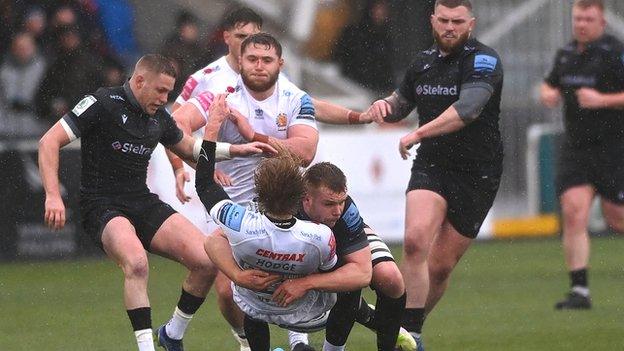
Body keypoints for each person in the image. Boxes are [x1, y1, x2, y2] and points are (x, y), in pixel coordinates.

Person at [37, 54, 271, 351]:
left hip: (141, 201)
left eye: (169, 92)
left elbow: (189, 148)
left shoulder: (158, 117)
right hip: (102, 205)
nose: (165, 98)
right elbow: (49, 141)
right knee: (136, 262)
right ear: (139, 81)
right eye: (160, 90)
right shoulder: (102, 103)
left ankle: (172, 334)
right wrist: (53, 194)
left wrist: (237, 151)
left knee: (208, 259)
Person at [364, 0, 504, 348]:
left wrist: (418, 133)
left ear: (470, 23)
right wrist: (386, 106)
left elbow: (468, 109)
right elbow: (400, 103)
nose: (450, 27)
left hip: (477, 173)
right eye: (443, 20)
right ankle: (407, 334)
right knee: (414, 241)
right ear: (432, 21)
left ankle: (410, 326)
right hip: (432, 165)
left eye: (457, 21)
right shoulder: (422, 63)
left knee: (440, 267)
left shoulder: (483, 60)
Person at [196, 94, 338, 351]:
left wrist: (212, 128)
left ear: (259, 193)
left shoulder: (239, 224)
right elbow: (332, 275)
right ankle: (312, 343)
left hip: (255, 306)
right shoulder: (321, 237)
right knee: (347, 280)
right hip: (306, 315)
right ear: (301, 197)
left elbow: (204, 184)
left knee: (225, 252)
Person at [540, 0, 624, 310]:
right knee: (574, 213)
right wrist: (547, 92)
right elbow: (549, 85)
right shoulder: (566, 55)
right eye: (577, 18)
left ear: (602, 22)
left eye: (588, 19)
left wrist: (602, 99)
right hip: (576, 149)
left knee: (617, 219)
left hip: (613, 149)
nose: (581, 24)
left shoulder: (615, 53)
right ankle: (580, 291)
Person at [295, 162, 413, 351]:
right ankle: (367, 315)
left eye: (341, 201)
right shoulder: (286, 206)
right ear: (306, 199)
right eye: (329, 204)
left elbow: (360, 274)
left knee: (390, 278)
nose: (337, 211)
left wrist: (307, 283)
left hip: (344, 240)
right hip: (308, 248)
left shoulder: (346, 212)